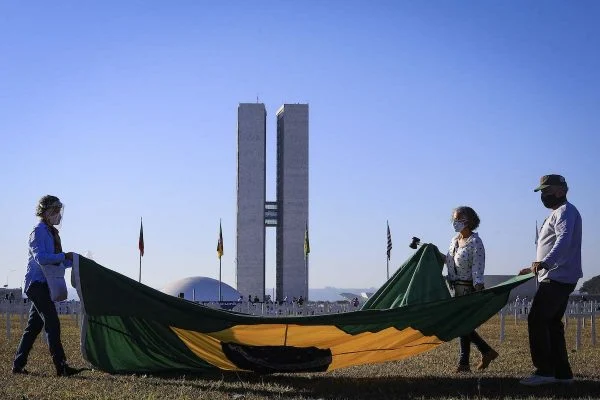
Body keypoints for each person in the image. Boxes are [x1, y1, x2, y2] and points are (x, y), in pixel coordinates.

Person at [519, 175, 582, 386]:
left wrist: (545, 263)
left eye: (547, 191)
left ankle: (544, 370)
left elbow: (564, 240)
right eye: (542, 192)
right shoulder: (558, 213)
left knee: (537, 320)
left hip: (557, 276)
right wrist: (535, 267)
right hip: (556, 274)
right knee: (552, 324)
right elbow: (552, 243)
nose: (544, 196)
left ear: (561, 190)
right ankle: (563, 374)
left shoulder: (565, 211)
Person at [12, 195, 79, 377]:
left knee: (33, 327)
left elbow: (55, 262)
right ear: (46, 212)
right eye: (55, 211)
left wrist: (73, 260)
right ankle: (61, 366)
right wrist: (63, 256)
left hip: (45, 284)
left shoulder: (51, 233)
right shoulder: (39, 231)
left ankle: (18, 365)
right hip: (36, 284)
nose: (58, 215)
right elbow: (41, 258)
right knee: (52, 322)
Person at [444, 206, 498, 373]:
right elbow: (448, 261)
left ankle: (472, 358)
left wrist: (478, 289)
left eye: (459, 218)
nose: (455, 222)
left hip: (468, 290)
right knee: (462, 325)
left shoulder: (475, 242)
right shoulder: (454, 241)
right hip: (454, 289)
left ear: (469, 221)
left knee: (462, 325)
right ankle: (469, 360)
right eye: (454, 218)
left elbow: (477, 269)